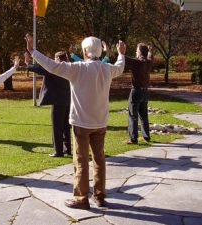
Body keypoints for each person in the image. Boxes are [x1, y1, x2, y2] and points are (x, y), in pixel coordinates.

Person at [25, 33, 126, 209]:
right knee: (99, 159)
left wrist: (33, 51)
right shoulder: (107, 68)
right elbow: (120, 66)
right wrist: (121, 53)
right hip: (100, 123)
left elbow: (51, 66)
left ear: (85, 52)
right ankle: (100, 196)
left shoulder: (77, 68)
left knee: (80, 161)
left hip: (81, 123)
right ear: (99, 52)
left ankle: (81, 198)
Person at [24, 51, 71, 157]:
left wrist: (28, 63)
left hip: (57, 100)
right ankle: (67, 149)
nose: (53, 61)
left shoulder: (55, 68)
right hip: (67, 99)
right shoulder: (69, 67)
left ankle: (58, 151)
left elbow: (40, 69)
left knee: (57, 126)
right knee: (65, 126)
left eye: (55, 58)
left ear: (58, 59)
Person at [125, 43, 153, 144]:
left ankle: (133, 138)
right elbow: (150, 56)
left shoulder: (137, 62)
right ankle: (146, 136)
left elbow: (124, 58)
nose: (136, 51)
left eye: (137, 50)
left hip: (136, 91)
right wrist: (150, 51)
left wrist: (120, 51)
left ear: (140, 52)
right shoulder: (148, 62)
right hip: (145, 91)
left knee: (133, 115)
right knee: (144, 115)